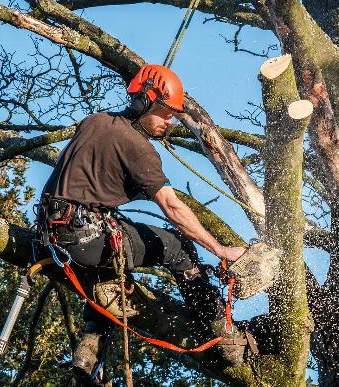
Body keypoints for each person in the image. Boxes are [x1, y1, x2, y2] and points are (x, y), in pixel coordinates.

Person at [38, 64, 248, 384]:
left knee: (111, 271)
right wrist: (220, 249)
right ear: (145, 102)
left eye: (173, 114)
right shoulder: (138, 147)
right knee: (178, 247)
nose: (170, 121)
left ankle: (89, 347)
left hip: (51, 233)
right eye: (165, 113)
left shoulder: (94, 122)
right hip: (85, 237)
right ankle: (223, 334)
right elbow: (171, 205)